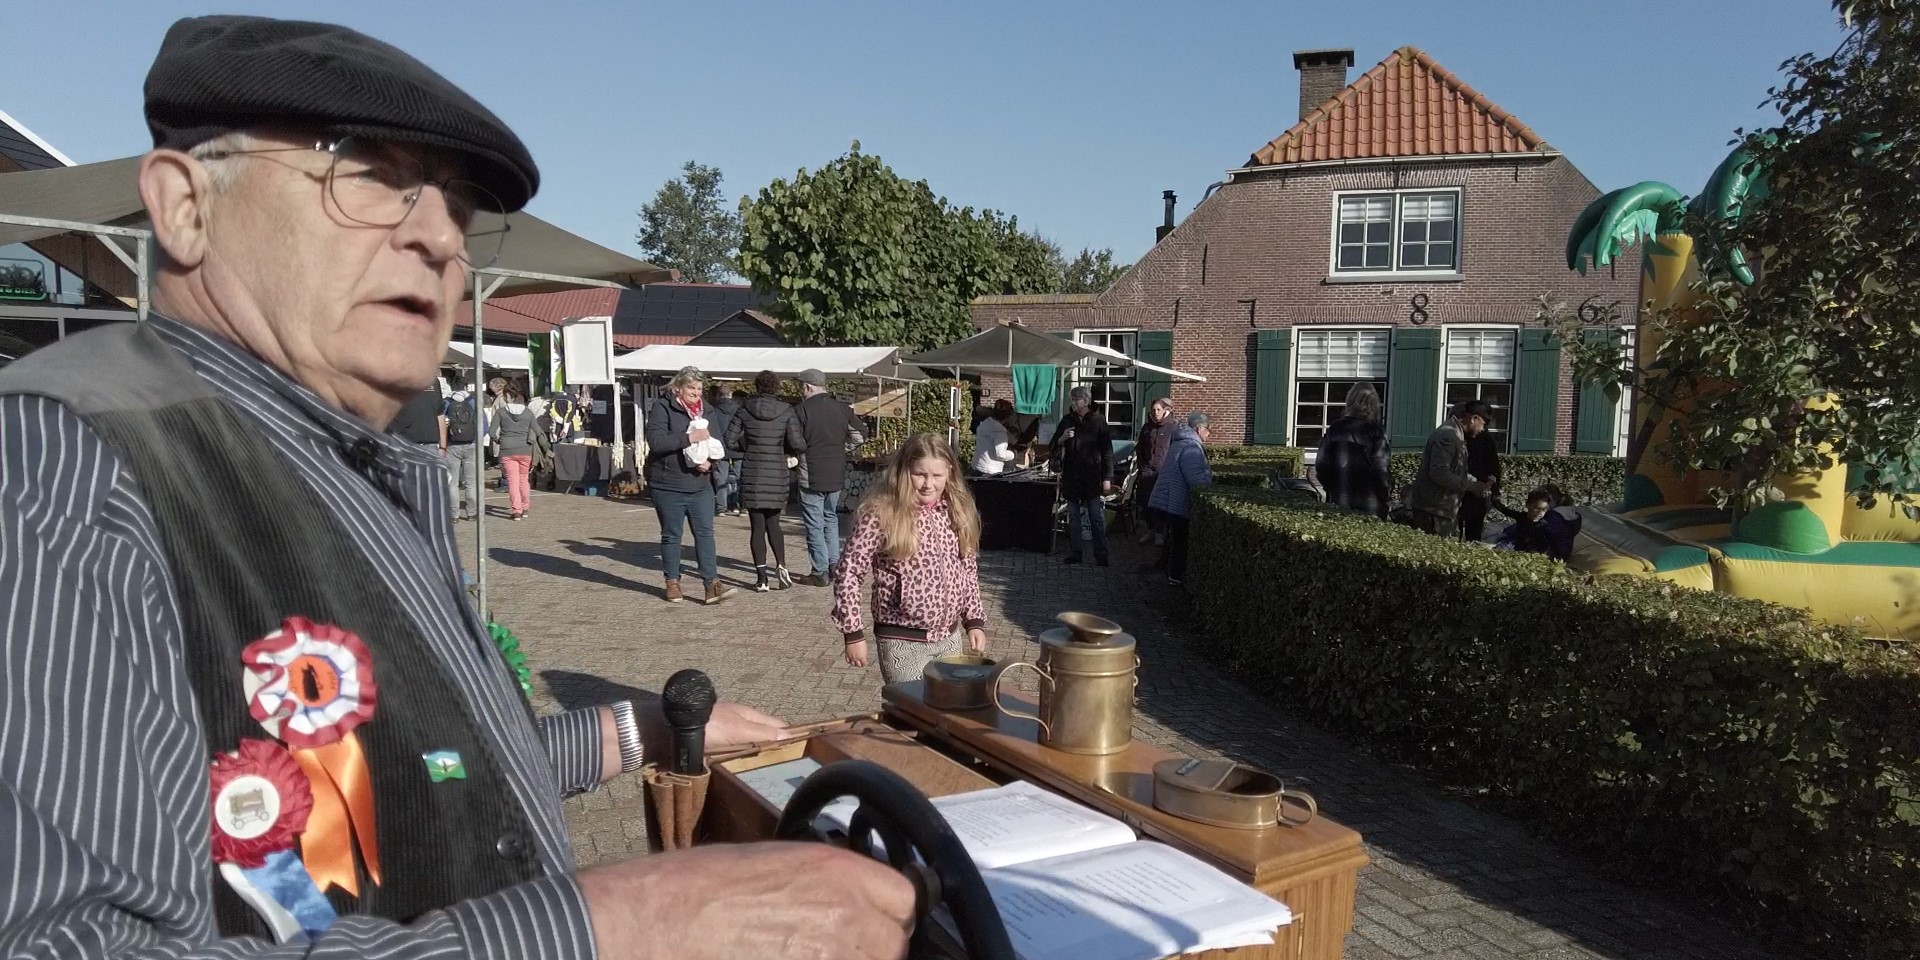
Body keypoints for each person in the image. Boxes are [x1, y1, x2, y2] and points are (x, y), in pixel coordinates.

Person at [0, 14, 917, 960]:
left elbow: (419, 771)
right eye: (370, 174)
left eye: (458, 203)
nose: (441, 237)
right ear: (185, 206)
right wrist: (621, 924)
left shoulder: (340, 450)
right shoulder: (58, 460)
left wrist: (631, 729)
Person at [832, 432, 989, 684]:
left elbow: (967, 569)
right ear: (905, 470)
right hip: (901, 640)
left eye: (937, 475)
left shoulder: (956, 510)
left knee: (946, 715)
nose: (929, 484)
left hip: (948, 638)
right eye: (920, 474)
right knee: (912, 713)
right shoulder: (881, 512)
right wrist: (853, 633)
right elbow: (848, 572)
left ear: (949, 472)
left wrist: (973, 620)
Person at [645, 366, 735, 605]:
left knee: (706, 534)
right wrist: (688, 438)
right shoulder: (663, 407)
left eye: (699, 388)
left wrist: (711, 463)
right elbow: (656, 442)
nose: (696, 393)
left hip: (700, 485)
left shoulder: (708, 410)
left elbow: (718, 442)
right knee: (672, 535)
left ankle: (711, 584)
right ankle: (672, 582)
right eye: (691, 388)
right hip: (668, 484)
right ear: (678, 388)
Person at [786, 368, 866, 586]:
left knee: (814, 522)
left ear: (808, 387)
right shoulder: (842, 409)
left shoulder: (800, 411)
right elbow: (860, 435)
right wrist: (843, 449)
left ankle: (819, 571)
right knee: (830, 518)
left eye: (801, 386)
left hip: (810, 472)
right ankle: (835, 565)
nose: (800, 390)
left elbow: (793, 442)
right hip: (836, 471)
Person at [725, 370, 802, 592]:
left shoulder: (744, 410)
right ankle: (782, 567)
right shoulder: (787, 411)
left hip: (753, 472)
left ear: (756, 387)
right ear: (776, 387)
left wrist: (748, 445)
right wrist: (782, 449)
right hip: (776, 472)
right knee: (774, 524)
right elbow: (798, 443)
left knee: (757, 526)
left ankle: (761, 579)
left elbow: (729, 440)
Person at [1406, 400, 1495, 536]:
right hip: (1434, 511)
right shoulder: (1448, 436)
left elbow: (1454, 470)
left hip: (1438, 510)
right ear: (1473, 418)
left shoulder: (1455, 435)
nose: (1483, 429)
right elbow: (1439, 473)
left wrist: (1477, 483)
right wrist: (1471, 486)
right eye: (1483, 424)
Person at [1148, 411, 1214, 586]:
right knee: (1180, 541)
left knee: (1173, 540)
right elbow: (1196, 479)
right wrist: (1209, 485)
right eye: (1208, 430)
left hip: (1168, 499)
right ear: (1199, 429)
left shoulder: (1179, 442)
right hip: (1178, 501)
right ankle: (1176, 577)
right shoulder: (1191, 447)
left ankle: (1169, 571)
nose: (1209, 434)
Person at [1053, 386, 1114, 566]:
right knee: (1073, 517)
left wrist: (1107, 478)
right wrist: (1062, 438)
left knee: (1095, 516)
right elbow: (1053, 445)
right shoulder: (1067, 420)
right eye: (1071, 400)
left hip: (1092, 476)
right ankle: (1076, 552)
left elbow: (1107, 452)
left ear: (1086, 401)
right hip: (1071, 475)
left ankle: (1101, 554)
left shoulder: (1098, 421)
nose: (1073, 404)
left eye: (1076, 400)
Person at [1314, 383, 1393, 519]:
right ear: (1374, 404)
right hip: (1370, 502)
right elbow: (1381, 469)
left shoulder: (1336, 427)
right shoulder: (1376, 430)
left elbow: (1321, 465)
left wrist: (1332, 488)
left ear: (1349, 401)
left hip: (1339, 499)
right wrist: (1386, 497)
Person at [387, 372, 449, 506]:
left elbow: (440, 414)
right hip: (412, 443)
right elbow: (440, 415)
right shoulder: (400, 381)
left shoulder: (432, 382)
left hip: (413, 443)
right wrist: (443, 445)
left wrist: (443, 446)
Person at [1493, 485, 1582, 560]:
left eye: (1543, 510)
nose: (1540, 513)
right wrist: (1495, 502)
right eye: (1537, 509)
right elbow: (1509, 513)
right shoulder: (1524, 517)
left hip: (1537, 550)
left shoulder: (1548, 522)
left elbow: (1546, 543)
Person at [1133, 395, 1175, 544]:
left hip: (1162, 473)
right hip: (1147, 472)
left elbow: (1174, 451)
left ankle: (1160, 534)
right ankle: (1149, 531)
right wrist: (1142, 466)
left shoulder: (1173, 428)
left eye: (1158, 409)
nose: (1156, 412)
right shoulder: (1147, 428)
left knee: (1161, 504)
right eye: (1153, 410)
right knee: (1146, 503)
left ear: (1165, 410)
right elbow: (1140, 449)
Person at [442, 378, 485, 520]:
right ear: (466, 387)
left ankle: (454, 514)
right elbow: (484, 425)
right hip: (471, 444)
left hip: (452, 444)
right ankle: (471, 513)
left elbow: (441, 422)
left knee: (452, 481)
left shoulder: (447, 402)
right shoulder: (473, 401)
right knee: (471, 481)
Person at [495, 385, 540, 520]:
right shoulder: (528, 412)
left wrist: (500, 441)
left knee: (513, 481)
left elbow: (492, 432)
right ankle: (525, 508)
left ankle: (516, 511)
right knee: (523, 479)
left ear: (507, 396)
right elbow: (537, 430)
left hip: (507, 450)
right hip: (525, 449)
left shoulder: (501, 412)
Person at [1459, 417, 1502, 542]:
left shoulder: (1473, 437)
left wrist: (1493, 488)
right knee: (1473, 530)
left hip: (1475, 489)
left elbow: (1493, 465)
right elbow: (1494, 466)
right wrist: (1494, 489)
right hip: (1475, 488)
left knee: (1471, 527)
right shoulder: (1463, 437)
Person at [708, 381, 743, 515]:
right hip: (738, 447)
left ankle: (721, 507)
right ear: (731, 394)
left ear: (718, 395)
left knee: (721, 477)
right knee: (739, 477)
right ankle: (737, 505)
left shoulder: (714, 411)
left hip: (720, 448)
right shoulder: (739, 409)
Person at [970, 398, 1017, 475]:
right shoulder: (999, 431)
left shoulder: (985, 424)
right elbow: (1000, 454)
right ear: (1007, 416)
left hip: (977, 465)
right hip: (991, 470)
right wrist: (1012, 454)